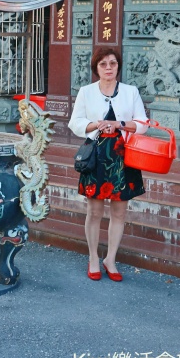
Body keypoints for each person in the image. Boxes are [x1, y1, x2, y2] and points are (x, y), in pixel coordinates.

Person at [68, 46, 149, 282]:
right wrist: (97, 123)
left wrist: (120, 124)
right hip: (96, 154)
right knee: (94, 211)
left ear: (118, 67)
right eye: (103, 64)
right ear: (96, 68)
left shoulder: (130, 91)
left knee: (119, 211)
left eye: (113, 63)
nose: (108, 68)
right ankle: (93, 257)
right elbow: (76, 123)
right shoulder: (86, 91)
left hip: (124, 157)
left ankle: (110, 259)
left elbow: (142, 123)